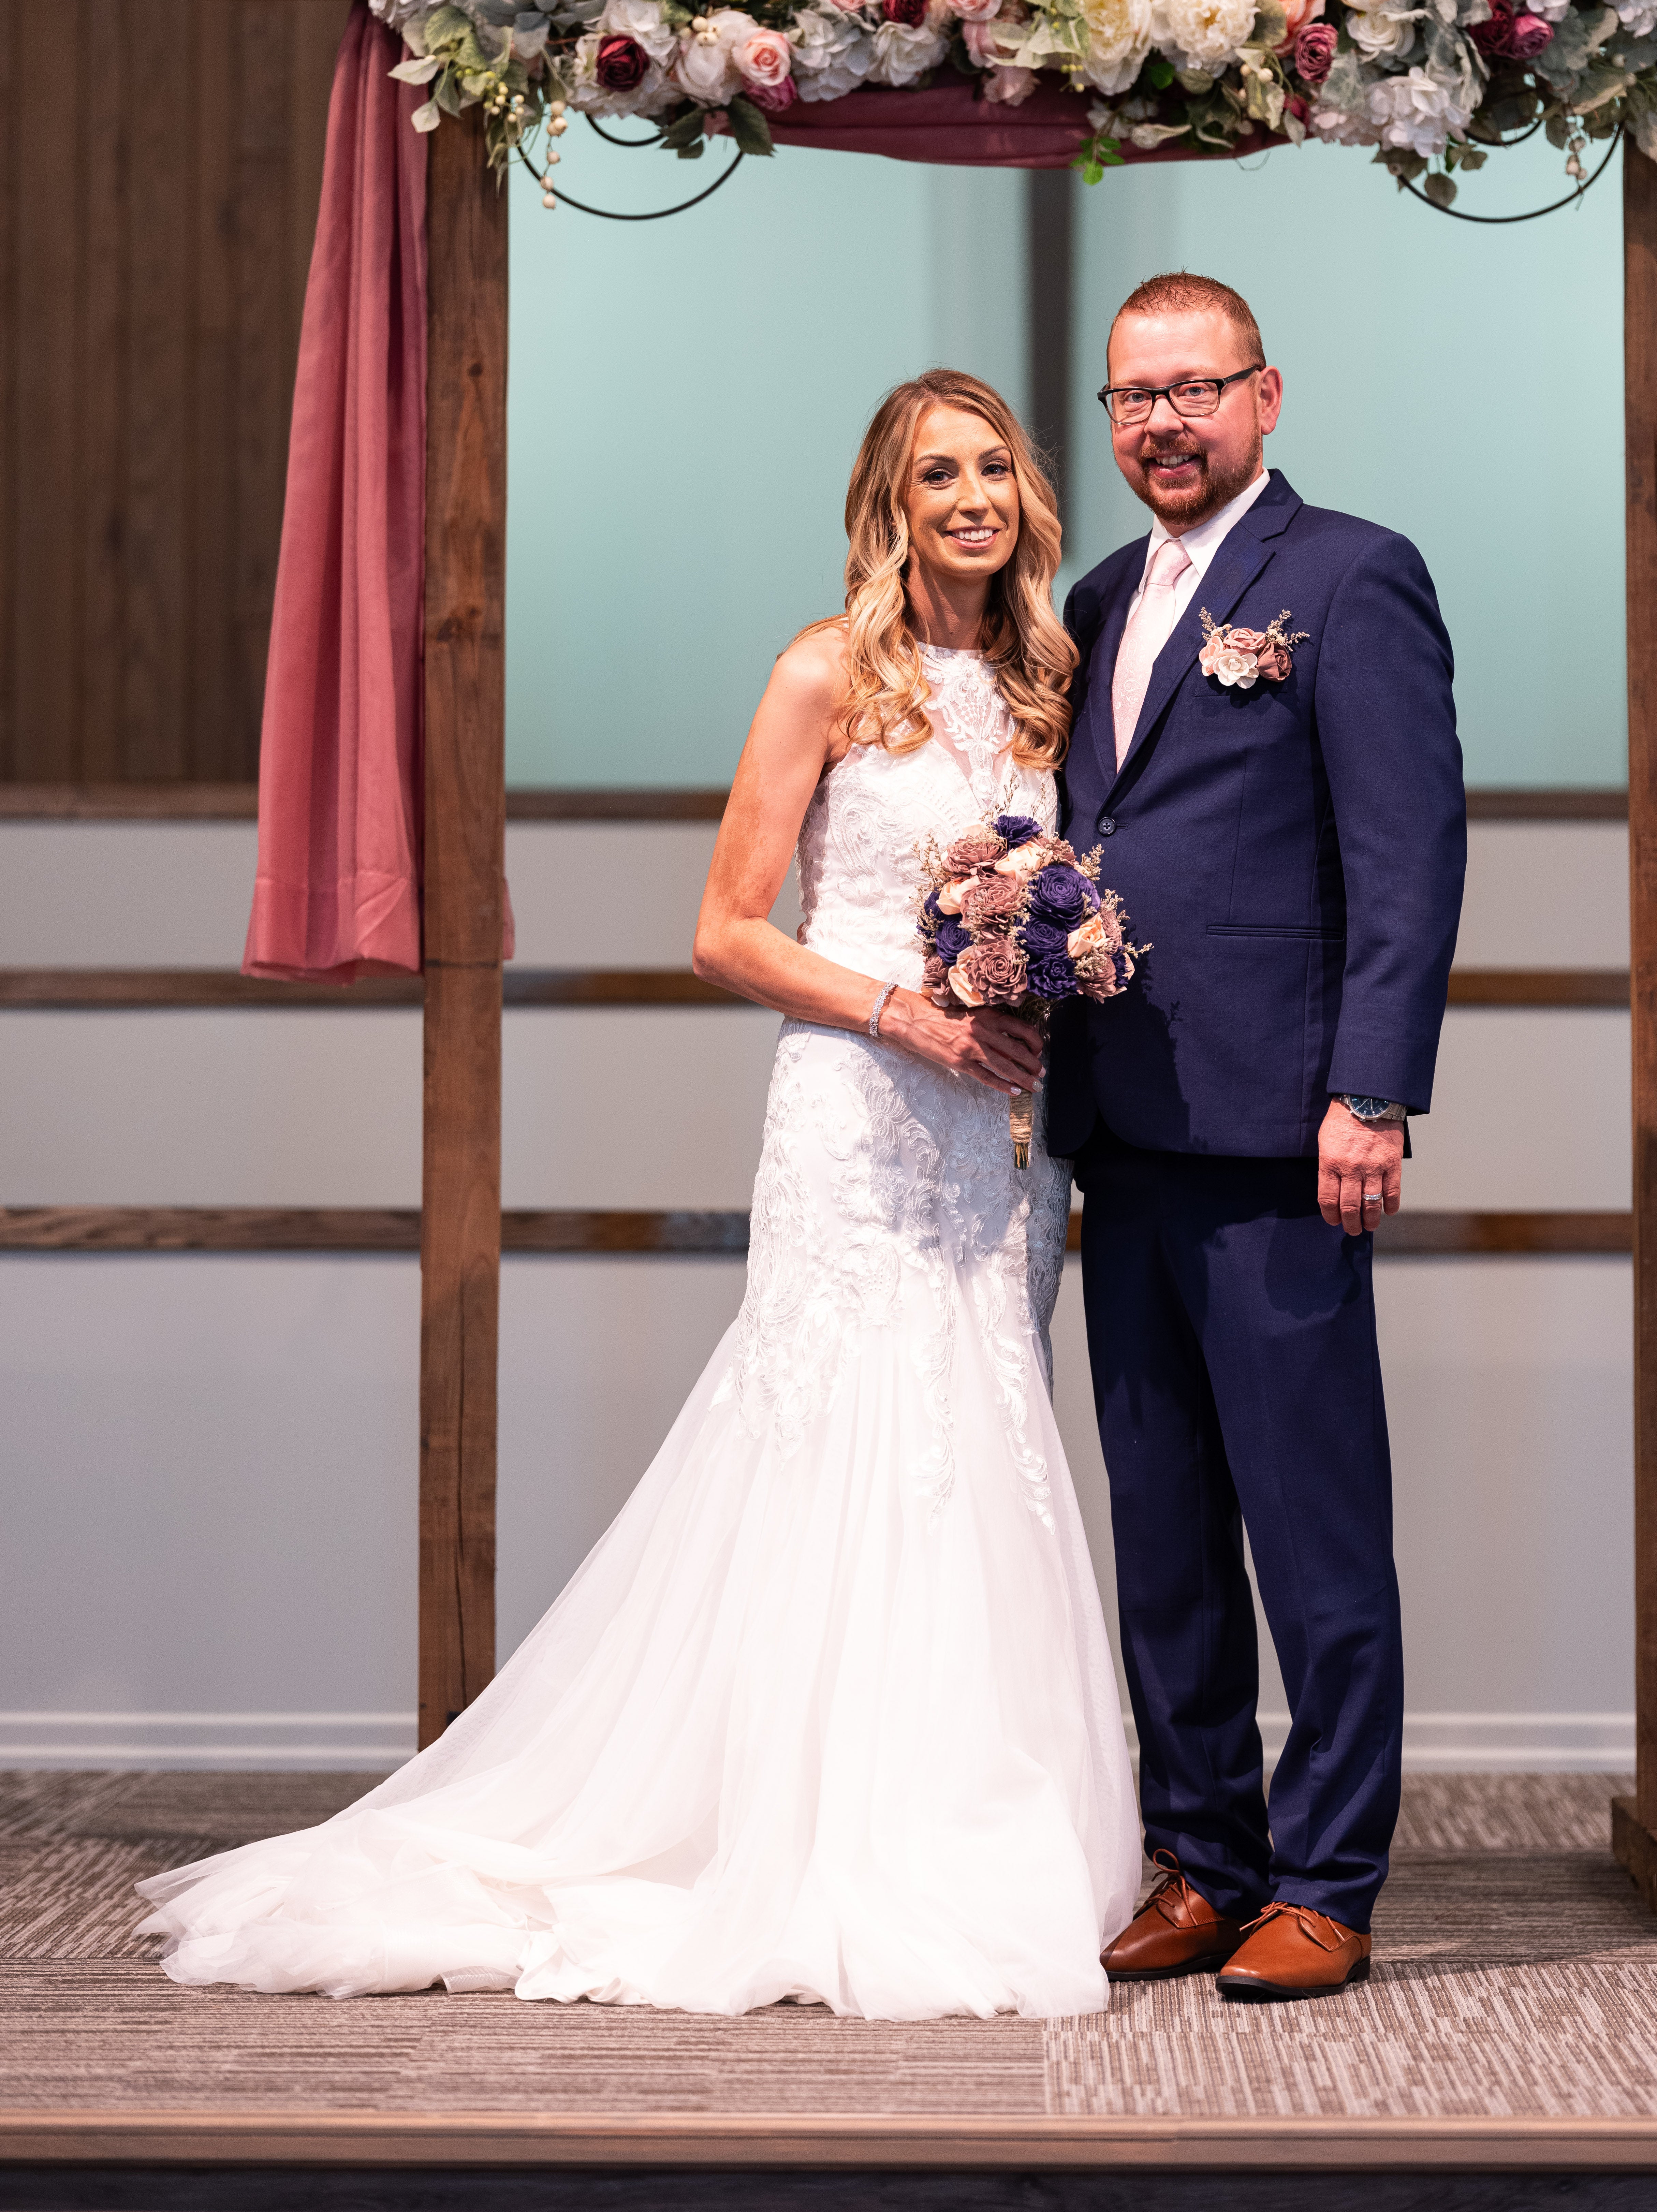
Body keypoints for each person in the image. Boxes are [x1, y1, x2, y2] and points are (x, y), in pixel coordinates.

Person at [139, 371, 1142, 2020]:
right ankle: (781, 1833)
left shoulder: (1046, 683)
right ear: (887, 505)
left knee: (977, 1438)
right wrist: (906, 1012)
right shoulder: (824, 672)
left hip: (994, 1140)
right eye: (931, 474)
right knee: (833, 1433)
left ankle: (960, 1814)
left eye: (990, 469)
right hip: (860, 1104)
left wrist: (1038, 978)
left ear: (1025, 495)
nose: (968, 497)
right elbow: (725, 928)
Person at [1047, 270, 1466, 2004]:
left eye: (1193, 391)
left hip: (1286, 1133)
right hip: (1118, 1125)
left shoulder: (1349, 576)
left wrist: (1370, 1093)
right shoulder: (1086, 596)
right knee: (1159, 1526)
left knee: (1309, 1526)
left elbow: (1408, 852)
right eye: (1133, 398)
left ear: (1264, 395)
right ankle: (1202, 1855)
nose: (1162, 423)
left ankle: (1329, 1876)